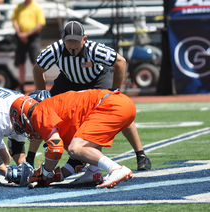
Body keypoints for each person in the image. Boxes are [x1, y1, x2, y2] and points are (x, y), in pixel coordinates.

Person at [30, 20, 151, 184]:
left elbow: (120, 61)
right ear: (63, 39)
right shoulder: (55, 50)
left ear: (84, 39)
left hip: (96, 80)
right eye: (69, 41)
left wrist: (114, 90)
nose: (72, 45)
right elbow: (38, 69)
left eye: (76, 40)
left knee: (116, 108)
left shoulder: (95, 49)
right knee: (43, 112)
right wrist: (43, 94)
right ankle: (31, 158)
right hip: (69, 80)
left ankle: (140, 154)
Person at [9, 89, 135, 188]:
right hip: (121, 103)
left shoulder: (38, 112)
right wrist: (58, 175)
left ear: (23, 117)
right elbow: (78, 160)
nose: (26, 131)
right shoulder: (59, 115)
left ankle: (116, 169)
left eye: (21, 126)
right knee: (80, 147)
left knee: (77, 147)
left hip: (111, 104)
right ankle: (94, 171)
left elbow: (55, 148)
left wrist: (45, 174)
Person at [11, 0, 46, 93]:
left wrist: (26, 34)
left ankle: (39, 86)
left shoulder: (37, 7)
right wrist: (20, 34)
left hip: (33, 38)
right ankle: (21, 86)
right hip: (20, 37)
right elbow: (14, 21)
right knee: (20, 63)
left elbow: (40, 24)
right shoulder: (19, 7)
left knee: (36, 63)